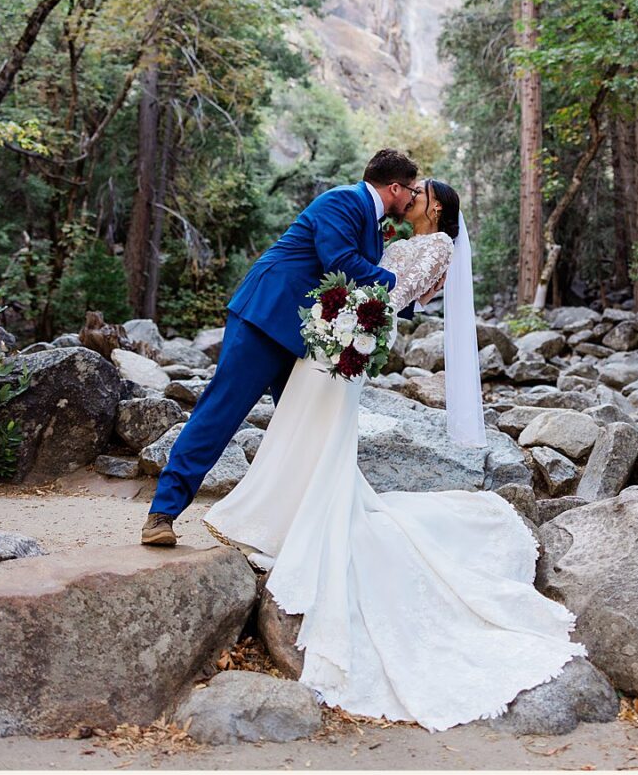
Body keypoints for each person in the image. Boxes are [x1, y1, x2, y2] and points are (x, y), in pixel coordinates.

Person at [203, 179, 582, 729]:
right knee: (301, 424)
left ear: (437, 207)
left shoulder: (440, 246)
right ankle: (277, 511)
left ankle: (296, 517)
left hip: (351, 340)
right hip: (339, 333)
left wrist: (351, 314)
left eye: (422, 192)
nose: (412, 196)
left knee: (319, 428)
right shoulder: (404, 236)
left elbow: (390, 292)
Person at [142, 150, 421, 546]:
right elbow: (340, 261)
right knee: (221, 411)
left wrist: (412, 296)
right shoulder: (342, 200)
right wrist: (400, 282)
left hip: (309, 337)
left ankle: (296, 529)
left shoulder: (374, 223)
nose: (412, 200)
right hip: (266, 318)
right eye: (411, 191)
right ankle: (162, 513)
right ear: (395, 187)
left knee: (310, 428)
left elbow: (359, 281)